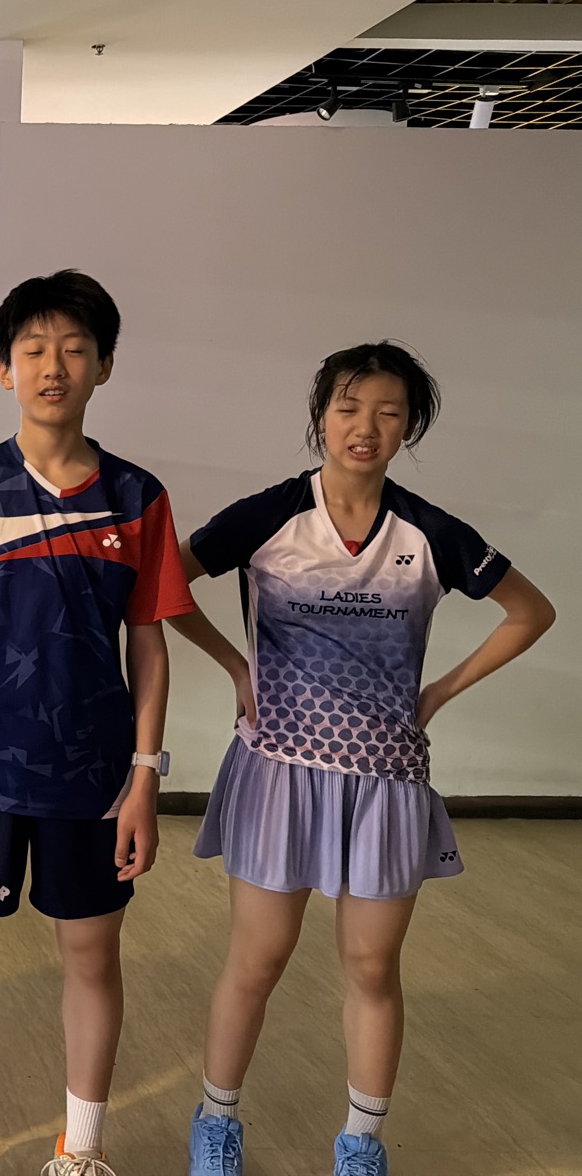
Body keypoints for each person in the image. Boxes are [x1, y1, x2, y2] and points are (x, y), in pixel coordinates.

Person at [174, 343, 555, 1176]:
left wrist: (440, 691)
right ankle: (217, 1122)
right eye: (348, 408)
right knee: (258, 958)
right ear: (320, 416)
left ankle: (360, 1144)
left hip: (386, 778)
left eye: (388, 413)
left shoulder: (429, 531)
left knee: (373, 966)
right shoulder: (273, 513)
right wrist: (236, 666)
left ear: (408, 427)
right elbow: (165, 582)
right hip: (278, 768)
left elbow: (532, 611)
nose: (365, 427)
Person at [0, 271, 195, 1176]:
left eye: (73, 348)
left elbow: (149, 644)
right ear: (5, 368)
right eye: (33, 349)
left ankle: (82, 1149)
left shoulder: (136, 496)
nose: (52, 366)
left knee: (92, 959)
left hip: (92, 780)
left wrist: (145, 776)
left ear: (104, 364)